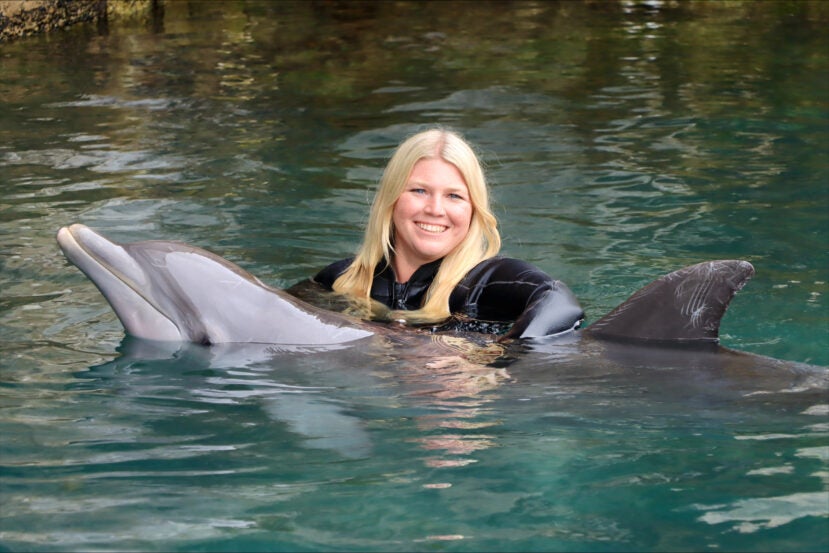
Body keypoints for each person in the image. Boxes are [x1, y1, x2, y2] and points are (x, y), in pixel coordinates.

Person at [311, 127, 584, 340]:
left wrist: (501, 358)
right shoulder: (340, 279)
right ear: (390, 199)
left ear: (473, 209)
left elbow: (560, 303)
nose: (435, 209)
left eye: (454, 196)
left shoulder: (488, 282)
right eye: (419, 191)